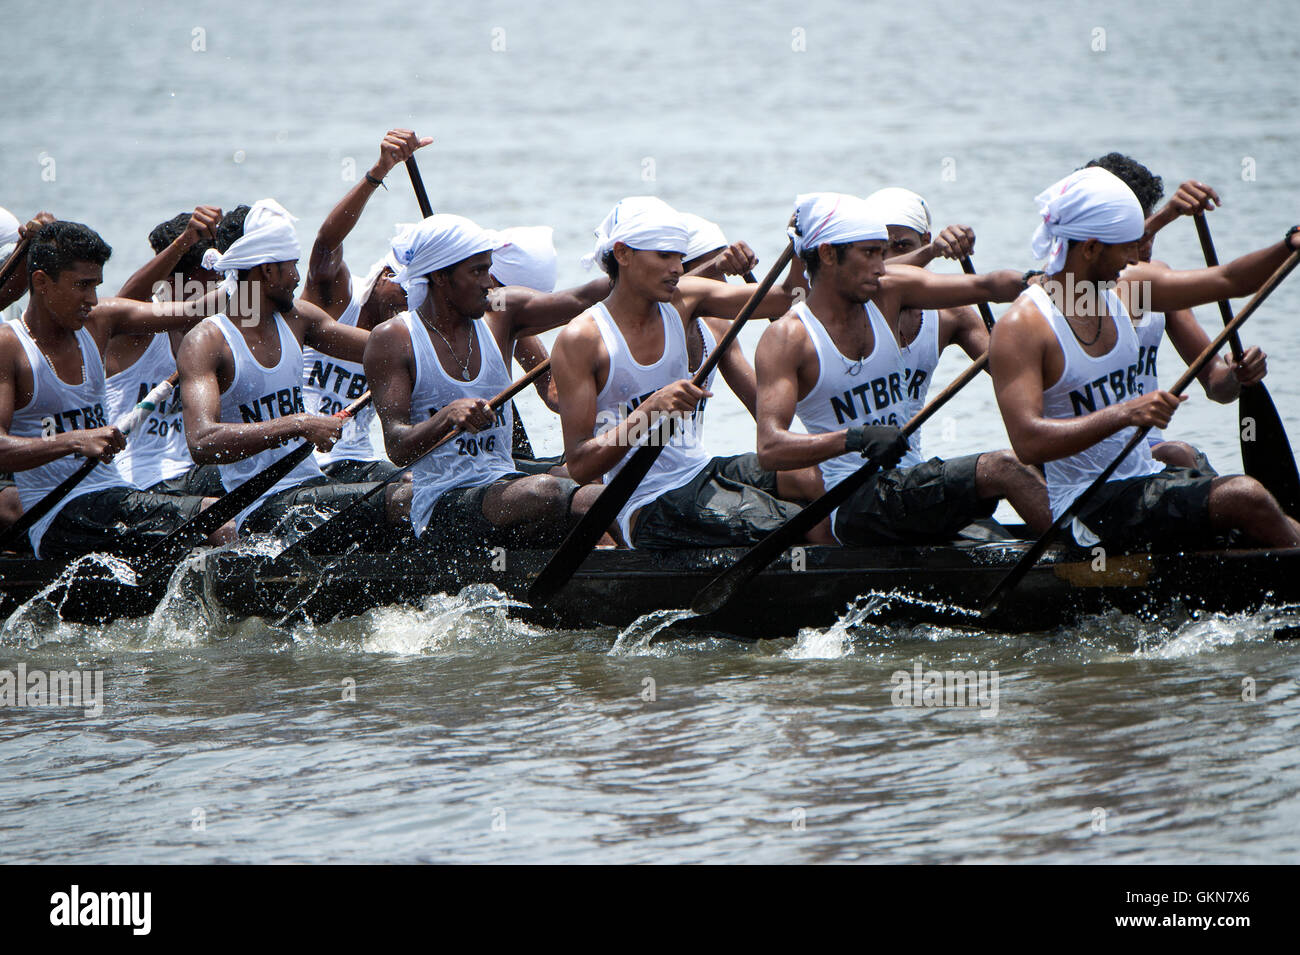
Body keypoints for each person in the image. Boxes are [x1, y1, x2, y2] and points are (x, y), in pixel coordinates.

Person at [988, 166, 1300, 552]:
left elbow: (1230, 280)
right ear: (1090, 248)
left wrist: (1290, 244)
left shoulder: (1130, 288)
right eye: (1127, 247)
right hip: (1086, 507)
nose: (1137, 256)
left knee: (1267, 513)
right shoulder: (1023, 326)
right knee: (1244, 496)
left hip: (1143, 479)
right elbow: (1028, 443)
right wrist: (1127, 413)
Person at [753, 192, 1043, 547]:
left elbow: (984, 286)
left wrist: (1034, 281)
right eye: (870, 253)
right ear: (828, 254)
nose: (882, 266)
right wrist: (853, 439)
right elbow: (770, 448)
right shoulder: (787, 337)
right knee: (1003, 467)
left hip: (908, 482)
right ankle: (1087, 563)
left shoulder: (890, 293)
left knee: (1002, 535)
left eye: (884, 251)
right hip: (854, 502)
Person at [550, 195, 817, 549]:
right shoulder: (581, 339)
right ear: (623, 254)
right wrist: (651, 411)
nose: (677, 267)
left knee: (819, 480)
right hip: (647, 501)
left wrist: (798, 242)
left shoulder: (685, 299)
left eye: (680, 255)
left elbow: (789, 296)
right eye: (664, 255)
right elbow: (581, 465)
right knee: (793, 523)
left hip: (702, 470)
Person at [364, 214, 612, 549]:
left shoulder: (501, 313)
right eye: (477, 271)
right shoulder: (394, 338)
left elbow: (583, 299)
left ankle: (635, 551)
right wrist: (447, 416)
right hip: (442, 501)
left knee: (596, 472)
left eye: (488, 268)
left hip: (501, 482)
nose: (488, 283)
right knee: (547, 491)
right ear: (440, 275)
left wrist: (643, 269)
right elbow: (396, 446)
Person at [0, 221, 233, 560]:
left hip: (115, 494)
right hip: (58, 516)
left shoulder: (99, 320)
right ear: (41, 282)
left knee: (236, 507)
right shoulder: (10, 347)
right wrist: (76, 441)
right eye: (82, 285)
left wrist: (244, 273)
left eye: (96, 285)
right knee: (219, 518)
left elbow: (188, 310)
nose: (91, 299)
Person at [177, 198, 391, 542]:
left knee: (409, 493)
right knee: (402, 499)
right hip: (263, 506)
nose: (296, 277)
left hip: (310, 488)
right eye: (291, 265)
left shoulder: (298, 319)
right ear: (266, 269)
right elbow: (202, 443)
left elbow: (386, 349)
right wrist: (299, 423)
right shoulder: (207, 341)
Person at [861, 186, 1051, 530]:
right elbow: (885, 277)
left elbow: (1019, 377)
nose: (889, 260)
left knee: (1042, 460)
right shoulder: (854, 311)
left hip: (912, 474)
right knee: (1006, 467)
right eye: (879, 251)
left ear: (923, 240)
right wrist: (934, 251)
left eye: (902, 246)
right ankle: (1090, 555)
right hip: (859, 488)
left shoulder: (952, 315)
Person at [1084, 153, 1266, 471]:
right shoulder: (1071, 286)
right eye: (1135, 226)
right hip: (1084, 456)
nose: (1149, 238)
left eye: (1149, 218)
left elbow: (1215, 384)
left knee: (1184, 457)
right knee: (1180, 455)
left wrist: (1238, 373)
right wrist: (1168, 214)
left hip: (1148, 447)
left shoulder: (1160, 281)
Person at [300, 128, 430, 485]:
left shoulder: (411, 331)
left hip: (356, 461)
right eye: (403, 289)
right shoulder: (336, 297)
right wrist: (379, 172)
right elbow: (327, 242)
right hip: (299, 461)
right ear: (384, 274)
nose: (407, 302)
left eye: (417, 293)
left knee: (421, 483)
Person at [104, 205, 226, 496]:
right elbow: (124, 302)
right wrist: (183, 242)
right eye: (212, 280)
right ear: (173, 283)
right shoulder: (138, 332)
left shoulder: (214, 334)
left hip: (194, 471)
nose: (220, 286)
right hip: (140, 478)